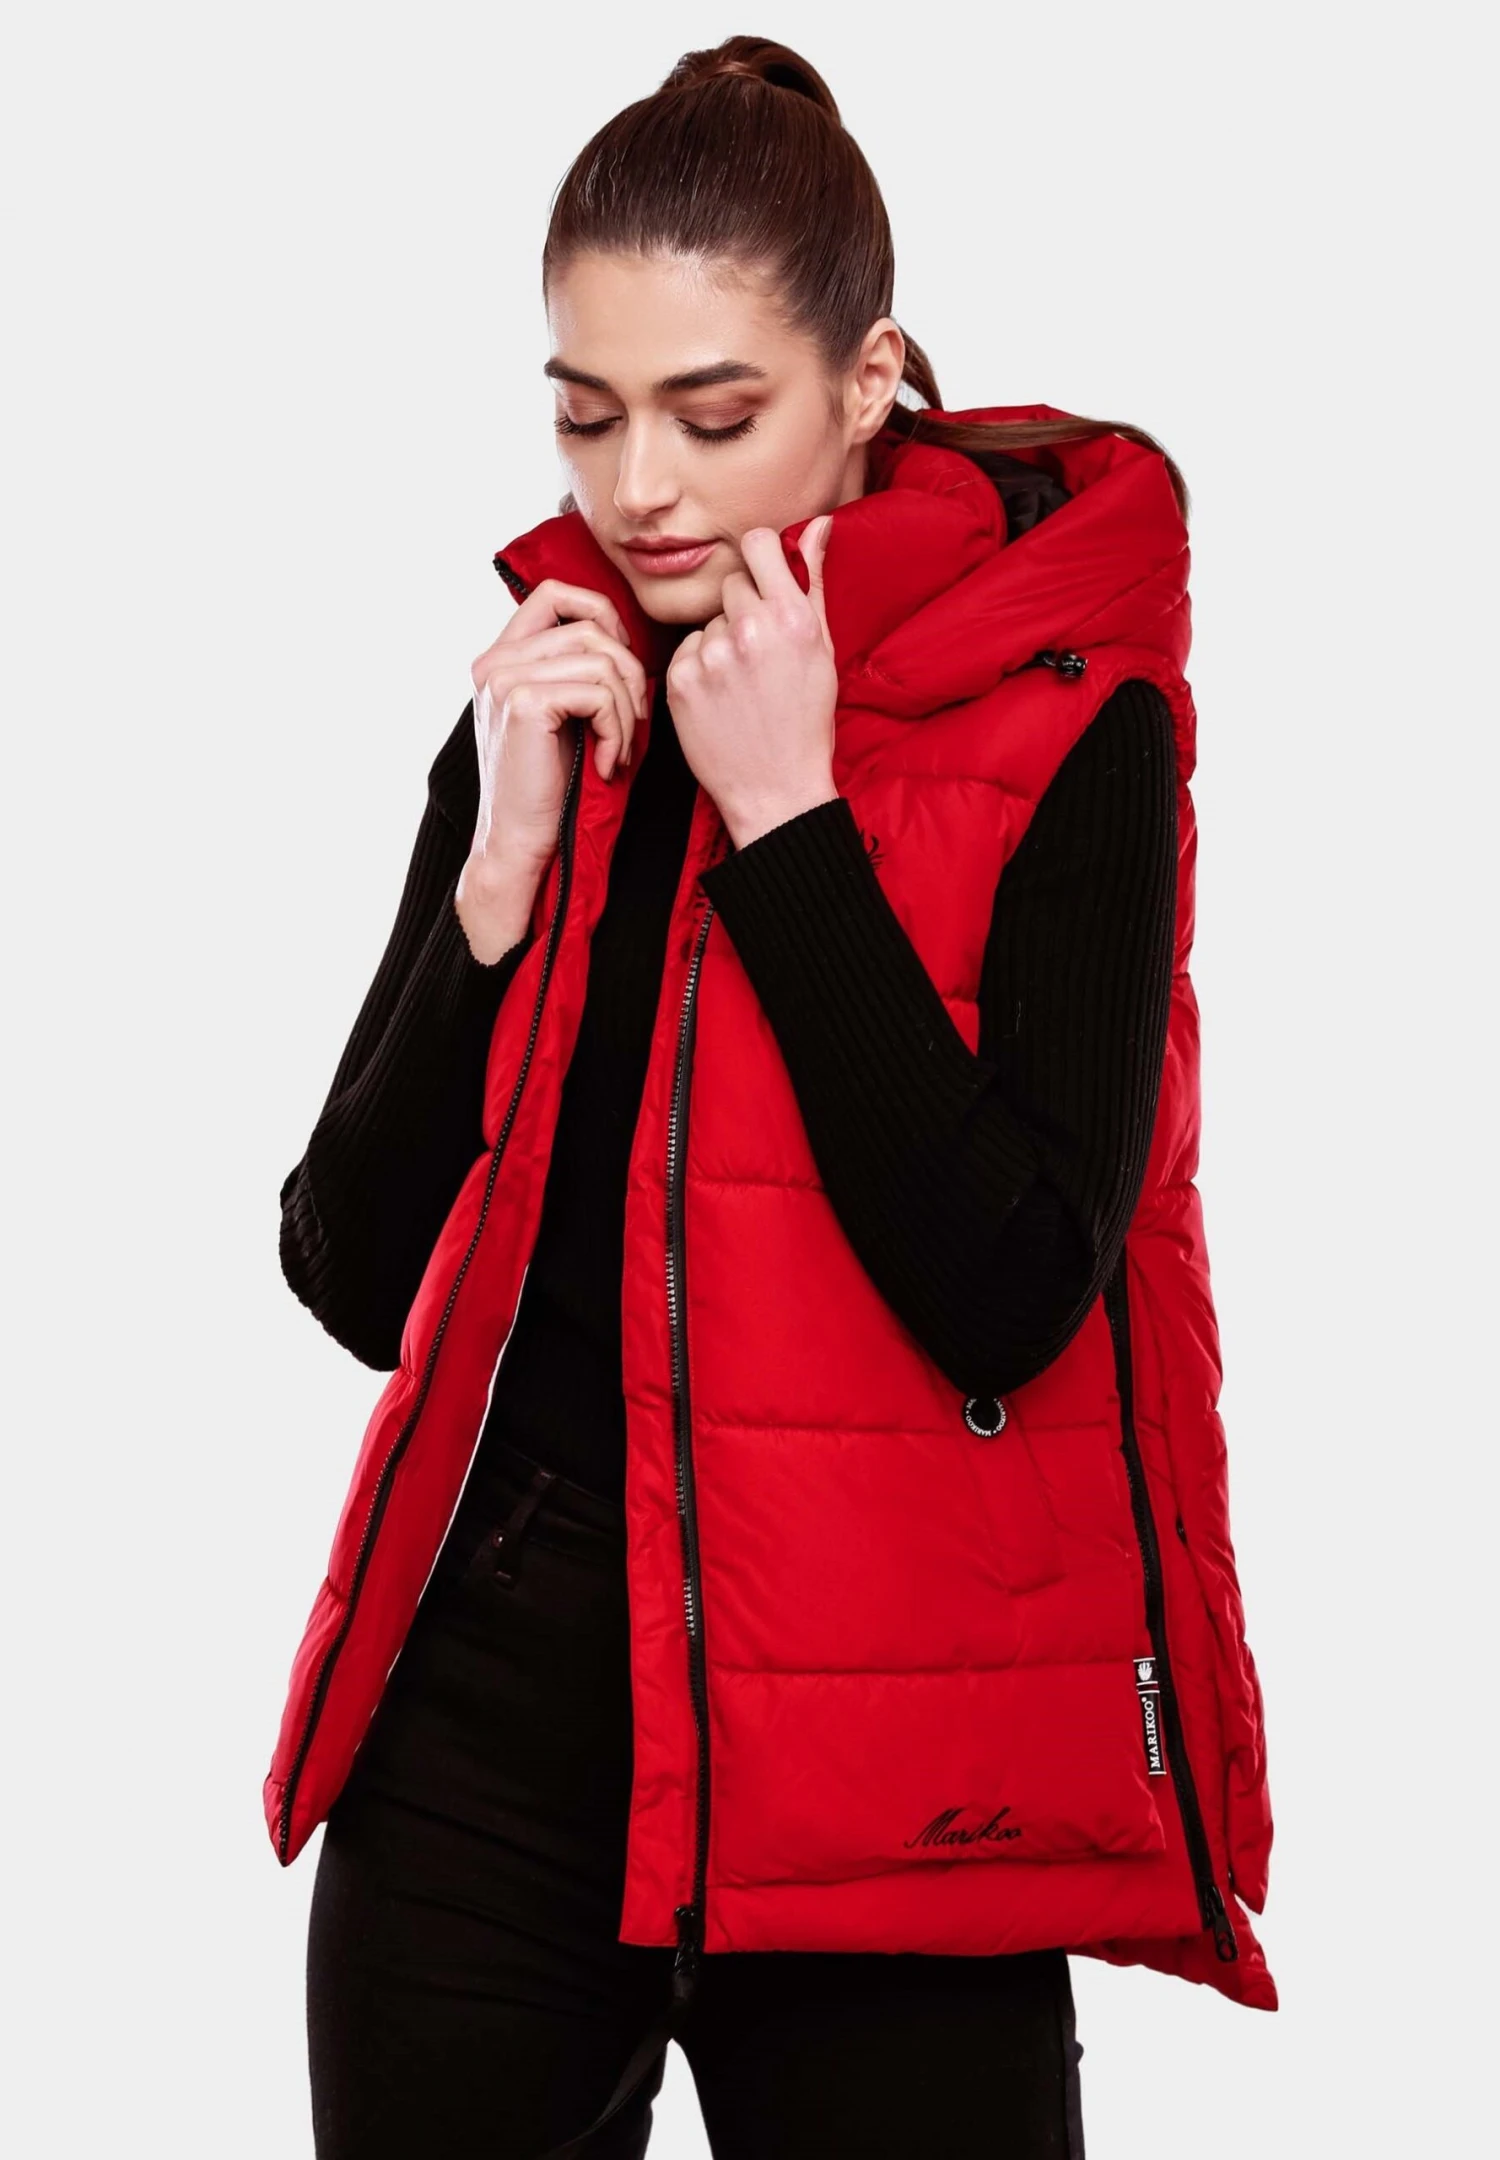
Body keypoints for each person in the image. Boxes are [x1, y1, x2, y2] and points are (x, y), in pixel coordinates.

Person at [266, 33, 1277, 2159]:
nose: (640, 486)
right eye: (587, 411)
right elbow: (352, 1274)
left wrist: (796, 830)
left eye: (714, 415)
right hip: (492, 1754)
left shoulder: (1068, 724)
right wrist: (493, 884)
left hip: (892, 1762)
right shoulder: (557, 693)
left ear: (869, 380)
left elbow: (1013, 1286)